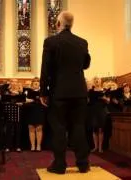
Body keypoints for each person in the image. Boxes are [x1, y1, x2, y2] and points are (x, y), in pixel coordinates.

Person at [40, 11, 91, 174]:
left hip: (59, 92)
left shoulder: (51, 42)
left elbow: (45, 69)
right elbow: (86, 64)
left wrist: (43, 92)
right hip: (79, 92)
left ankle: (60, 165)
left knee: (59, 128)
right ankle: (83, 164)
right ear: (72, 24)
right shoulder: (82, 42)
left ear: (57, 24)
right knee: (78, 127)